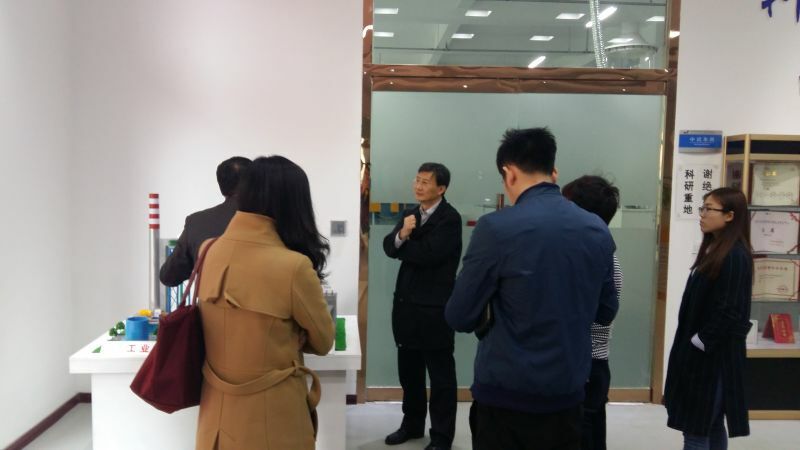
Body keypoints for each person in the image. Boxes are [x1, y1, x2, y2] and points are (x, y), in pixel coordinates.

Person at [445, 127, 618, 450]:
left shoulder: (496, 228)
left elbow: (459, 315)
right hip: (567, 392)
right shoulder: (596, 229)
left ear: (509, 173)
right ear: (554, 171)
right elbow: (606, 311)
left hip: (505, 393)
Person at [194, 156, 334, 450]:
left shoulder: (209, 250)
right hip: (273, 419)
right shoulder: (294, 266)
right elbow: (323, 342)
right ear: (294, 204)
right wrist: (293, 335)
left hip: (215, 417)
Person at [664, 187, 753, 450]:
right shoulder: (715, 248)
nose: (702, 214)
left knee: (696, 429)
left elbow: (730, 311)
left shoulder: (735, 255)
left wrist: (700, 341)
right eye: (702, 208)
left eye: (708, 209)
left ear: (729, 216)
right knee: (709, 424)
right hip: (702, 355)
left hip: (711, 358)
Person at [382, 162, 462, 450]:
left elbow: (429, 255)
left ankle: (441, 436)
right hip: (406, 308)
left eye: (425, 182)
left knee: (441, 378)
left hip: (435, 311)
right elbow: (388, 247)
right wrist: (402, 234)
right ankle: (412, 425)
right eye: (417, 180)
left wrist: (403, 244)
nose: (418, 186)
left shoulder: (450, 219)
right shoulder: (410, 214)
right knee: (410, 374)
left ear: (441, 188)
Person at [562, 175, 624, 450]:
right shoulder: (600, 252)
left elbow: (602, 313)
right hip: (590, 362)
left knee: (583, 433)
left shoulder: (597, 257)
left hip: (586, 362)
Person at [159, 156, 251, 286]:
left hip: (211, 299)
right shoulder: (269, 220)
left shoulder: (197, 222)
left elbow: (168, 276)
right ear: (256, 183)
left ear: (222, 187)